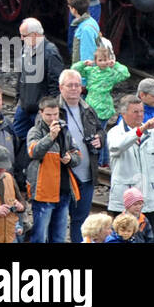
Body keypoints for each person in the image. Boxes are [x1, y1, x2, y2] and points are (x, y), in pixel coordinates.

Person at [107, 95, 154, 213]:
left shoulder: (152, 132)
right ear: (123, 113)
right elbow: (116, 146)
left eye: (142, 111)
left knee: (150, 231)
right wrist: (141, 130)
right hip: (125, 203)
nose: (140, 115)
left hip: (150, 200)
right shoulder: (115, 132)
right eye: (135, 112)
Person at [26, 96, 83, 243]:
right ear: (41, 113)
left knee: (59, 237)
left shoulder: (64, 130)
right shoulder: (35, 131)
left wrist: (70, 159)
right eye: (48, 115)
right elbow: (34, 152)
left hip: (63, 191)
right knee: (39, 236)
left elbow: (77, 155)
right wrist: (50, 137)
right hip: (43, 193)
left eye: (55, 114)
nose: (53, 118)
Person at [57, 68, 102, 243]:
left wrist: (100, 139)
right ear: (61, 88)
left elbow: (100, 130)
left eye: (78, 85)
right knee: (59, 221)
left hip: (86, 175)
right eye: (70, 85)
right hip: (64, 176)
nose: (75, 88)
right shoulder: (54, 109)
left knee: (81, 220)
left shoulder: (88, 108)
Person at [13, 19, 65, 140]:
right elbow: (21, 76)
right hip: (24, 107)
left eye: (24, 35)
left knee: (38, 141)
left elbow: (55, 84)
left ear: (35, 35)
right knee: (16, 138)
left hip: (39, 109)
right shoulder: (26, 49)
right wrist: (18, 98)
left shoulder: (50, 53)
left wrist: (47, 108)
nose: (21, 38)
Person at [72, 43, 130, 132]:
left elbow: (125, 74)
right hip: (91, 105)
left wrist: (116, 64)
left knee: (100, 132)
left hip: (104, 107)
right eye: (100, 60)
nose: (103, 62)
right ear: (95, 61)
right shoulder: (90, 71)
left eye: (105, 60)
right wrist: (83, 64)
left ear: (109, 60)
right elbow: (74, 69)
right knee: (89, 130)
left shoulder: (111, 73)